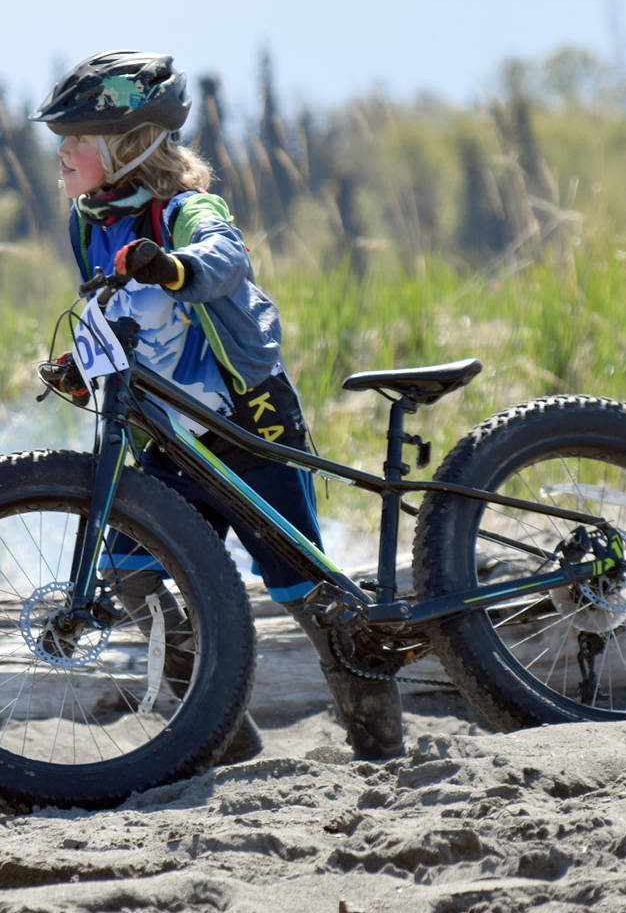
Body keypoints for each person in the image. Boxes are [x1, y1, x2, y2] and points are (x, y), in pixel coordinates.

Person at [29, 50, 404, 761]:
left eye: (77, 139)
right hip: (169, 435)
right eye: (61, 140)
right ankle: (223, 729)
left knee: (303, 587)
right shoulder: (88, 223)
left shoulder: (186, 208)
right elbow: (118, 310)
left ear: (129, 144)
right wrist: (83, 363)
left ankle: (380, 746)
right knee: (132, 573)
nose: (63, 153)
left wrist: (173, 265)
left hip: (245, 421)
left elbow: (224, 259)